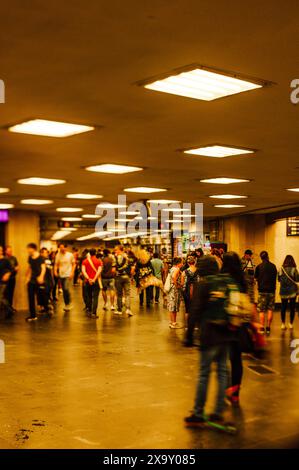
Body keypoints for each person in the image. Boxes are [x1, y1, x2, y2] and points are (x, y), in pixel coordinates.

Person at [184, 256, 232, 427]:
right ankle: (218, 412)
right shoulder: (226, 282)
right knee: (222, 373)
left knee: (204, 374)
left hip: (209, 335)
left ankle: (198, 413)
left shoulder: (202, 284)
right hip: (225, 335)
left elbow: (194, 311)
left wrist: (189, 335)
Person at [222, 252, 250, 406]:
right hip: (239, 325)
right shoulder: (242, 280)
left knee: (223, 360)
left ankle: (227, 389)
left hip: (225, 325)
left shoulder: (223, 279)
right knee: (236, 360)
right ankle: (235, 393)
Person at [255, 251, 277, 335]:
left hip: (262, 291)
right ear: (268, 256)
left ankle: (261, 328)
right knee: (270, 309)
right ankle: (268, 328)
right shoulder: (273, 266)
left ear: (261, 257)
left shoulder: (259, 267)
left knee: (261, 310)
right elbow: (275, 277)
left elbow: (256, 278)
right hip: (271, 291)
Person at [26, 243, 47, 322]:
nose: (28, 250)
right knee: (30, 297)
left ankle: (47, 308)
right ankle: (33, 315)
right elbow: (30, 268)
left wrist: (41, 276)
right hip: (32, 280)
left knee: (42, 296)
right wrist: (27, 277)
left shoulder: (40, 258)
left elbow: (43, 268)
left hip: (39, 280)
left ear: (33, 249)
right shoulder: (30, 257)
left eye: (29, 248)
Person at [278, 255, 299, 330]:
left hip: (283, 291)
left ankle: (283, 324)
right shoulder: (294, 269)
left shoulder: (281, 269)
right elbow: (297, 279)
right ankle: (290, 324)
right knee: (292, 308)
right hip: (292, 291)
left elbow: (279, 279)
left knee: (283, 308)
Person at [54, 243, 75, 311]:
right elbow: (56, 264)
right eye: (60, 248)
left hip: (68, 274)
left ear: (66, 248)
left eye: (63, 247)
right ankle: (66, 304)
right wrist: (55, 271)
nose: (61, 249)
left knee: (66, 289)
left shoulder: (70, 255)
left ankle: (69, 302)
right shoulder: (58, 255)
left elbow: (74, 264)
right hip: (61, 274)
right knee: (64, 290)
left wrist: (72, 272)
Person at [81, 248, 102, 319]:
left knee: (89, 297)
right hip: (95, 282)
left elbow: (83, 271)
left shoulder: (84, 261)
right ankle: (94, 313)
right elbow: (99, 271)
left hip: (87, 282)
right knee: (95, 297)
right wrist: (94, 279)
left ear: (89, 253)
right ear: (95, 253)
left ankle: (89, 311)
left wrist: (88, 279)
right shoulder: (99, 261)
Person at [114, 245, 133, 316]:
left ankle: (119, 310)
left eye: (116, 250)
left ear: (120, 250)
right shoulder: (127, 257)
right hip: (126, 277)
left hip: (119, 277)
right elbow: (131, 267)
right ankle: (128, 309)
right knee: (127, 294)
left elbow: (114, 268)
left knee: (119, 294)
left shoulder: (115, 257)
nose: (115, 251)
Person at [167, 257, 184, 329]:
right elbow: (174, 277)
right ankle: (173, 323)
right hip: (175, 290)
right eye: (182, 262)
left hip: (171, 289)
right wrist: (177, 285)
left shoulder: (172, 268)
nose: (182, 264)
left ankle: (172, 322)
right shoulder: (177, 269)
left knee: (172, 305)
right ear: (179, 263)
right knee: (174, 306)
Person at [40, 247, 54, 314]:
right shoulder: (40, 260)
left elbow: (50, 270)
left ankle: (48, 308)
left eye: (46, 252)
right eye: (44, 252)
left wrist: (52, 279)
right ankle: (45, 308)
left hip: (47, 280)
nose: (46, 254)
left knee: (46, 294)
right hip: (43, 279)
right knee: (43, 294)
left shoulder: (47, 260)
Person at [5, 246, 18, 312]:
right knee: (5, 294)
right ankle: (7, 308)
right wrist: (13, 269)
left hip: (13, 278)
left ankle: (10, 307)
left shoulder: (14, 258)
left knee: (11, 293)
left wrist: (17, 268)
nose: (10, 252)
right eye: (9, 251)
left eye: (11, 251)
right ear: (6, 251)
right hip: (5, 280)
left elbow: (17, 266)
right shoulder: (4, 259)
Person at [0, 246, 12, 318]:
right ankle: (9, 309)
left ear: (1, 251)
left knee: (0, 297)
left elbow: (11, 269)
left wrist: (7, 274)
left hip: (3, 281)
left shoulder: (5, 260)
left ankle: (9, 309)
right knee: (1, 297)